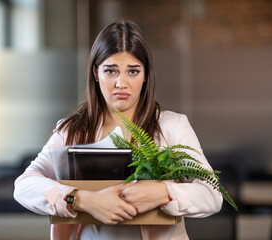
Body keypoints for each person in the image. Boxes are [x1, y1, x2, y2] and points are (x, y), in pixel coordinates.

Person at [14, 20, 222, 240]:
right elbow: (24, 185)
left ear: (145, 75)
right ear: (95, 73)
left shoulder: (172, 126)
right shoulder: (71, 130)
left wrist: (163, 193)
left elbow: (212, 194)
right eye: (111, 71)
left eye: (133, 72)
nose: (121, 83)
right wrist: (83, 199)